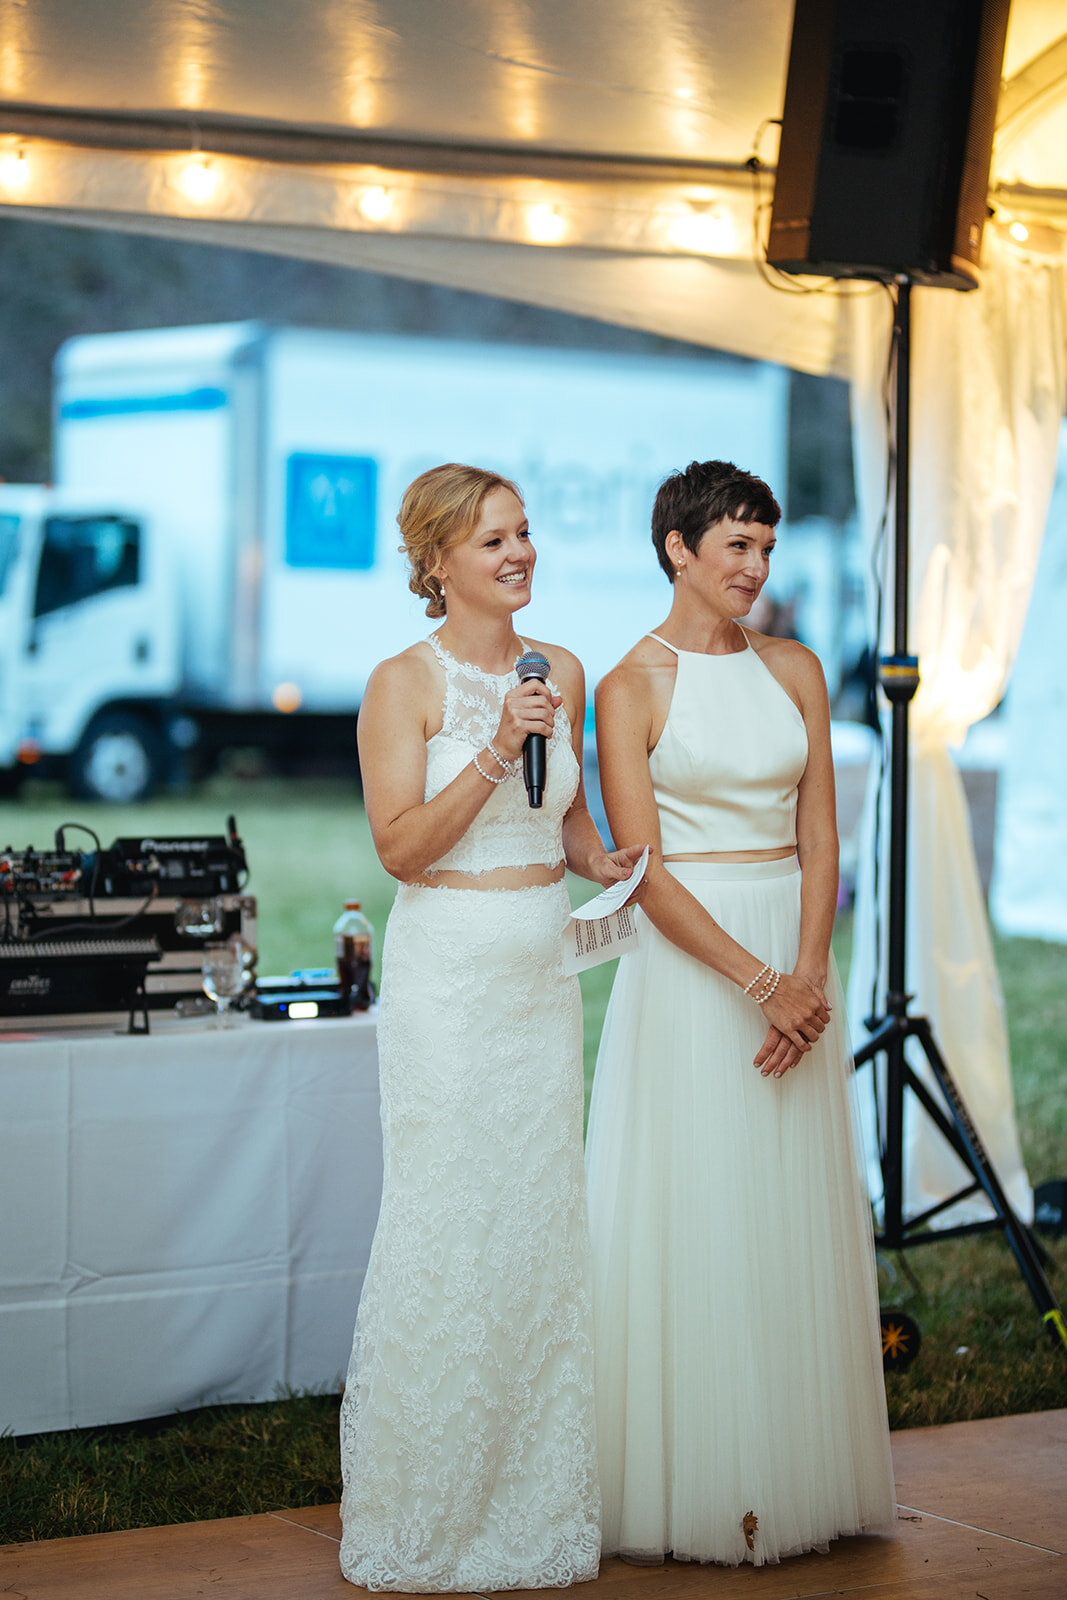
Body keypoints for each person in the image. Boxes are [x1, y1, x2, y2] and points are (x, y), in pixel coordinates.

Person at [585, 460, 895, 1567]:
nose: (756, 569)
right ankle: (695, 1482)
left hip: (791, 953)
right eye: (736, 548)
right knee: (700, 1210)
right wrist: (762, 983)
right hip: (691, 969)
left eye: (764, 548)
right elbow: (640, 873)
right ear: (678, 547)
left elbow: (822, 835)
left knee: (786, 1215)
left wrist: (809, 971)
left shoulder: (797, 668)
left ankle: (796, 1470)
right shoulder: (630, 684)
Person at [339, 462, 643, 1592]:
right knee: (449, 1224)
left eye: (523, 533)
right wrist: (487, 743)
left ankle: (529, 1500)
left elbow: (559, 816)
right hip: (448, 986)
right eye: (492, 541)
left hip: (537, 980)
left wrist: (601, 862)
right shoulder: (400, 685)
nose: (518, 554)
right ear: (435, 563)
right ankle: (426, 1511)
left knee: (531, 1225)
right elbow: (402, 849)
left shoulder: (557, 669)